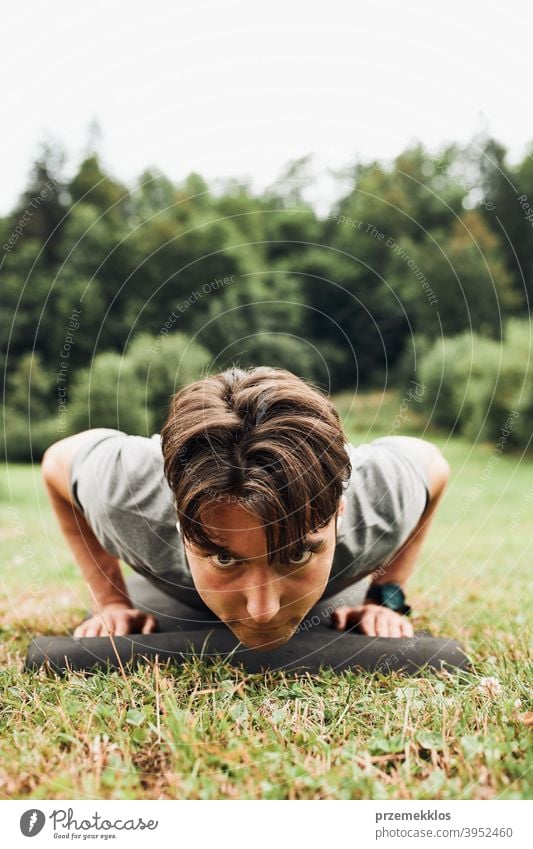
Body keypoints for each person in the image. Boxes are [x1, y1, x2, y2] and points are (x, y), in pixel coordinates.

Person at [41, 366, 450, 651]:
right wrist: (110, 601)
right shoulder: (126, 495)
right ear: (180, 523)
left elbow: (434, 468)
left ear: (340, 512)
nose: (263, 610)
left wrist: (386, 597)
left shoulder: (380, 500)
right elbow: (57, 463)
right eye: (223, 557)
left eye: (297, 553)